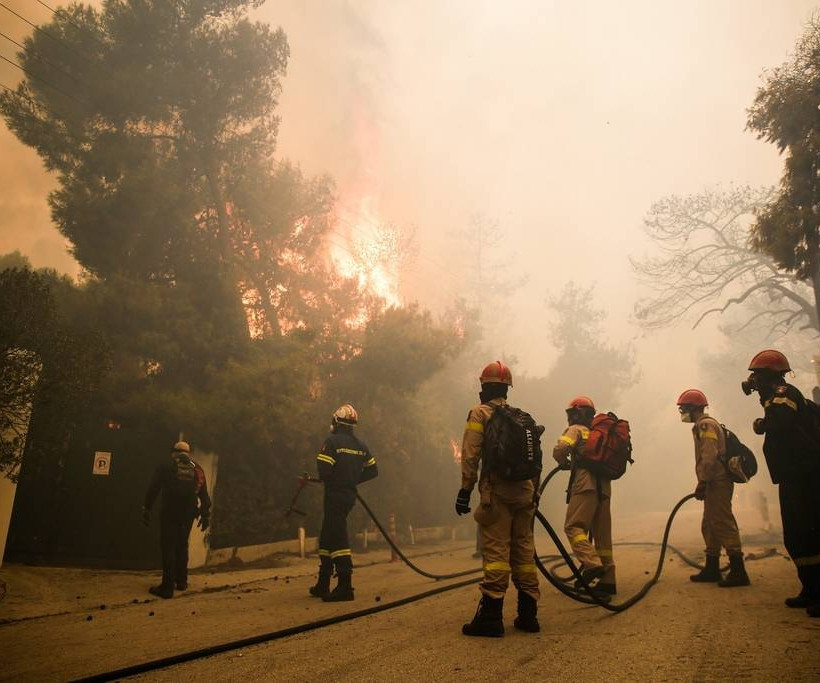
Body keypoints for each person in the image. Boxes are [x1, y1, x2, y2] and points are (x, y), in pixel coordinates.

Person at [455, 360, 541, 637]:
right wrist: (534, 493)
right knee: (524, 551)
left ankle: (491, 617)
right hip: (526, 491)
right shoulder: (521, 416)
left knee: (496, 553)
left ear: (485, 387)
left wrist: (465, 490)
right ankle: (528, 615)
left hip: (498, 492)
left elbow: (470, 454)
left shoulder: (480, 414)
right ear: (506, 389)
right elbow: (535, 461)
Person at [743, 350, 820, 615]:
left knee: (812, 533)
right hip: (792, 475)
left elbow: (781, 421)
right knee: (797, 535)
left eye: (757, 375)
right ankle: (810, 590)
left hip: (806, 475)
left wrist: (763, 422)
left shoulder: (784, 392)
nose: (753, 381)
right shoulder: (773, 396)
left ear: (771, 374)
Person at [676, 389, 749, 587]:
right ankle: (712, 567)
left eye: (684, 408)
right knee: (710, 524)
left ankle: (738, 570)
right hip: (713, 481)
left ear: (694, 408)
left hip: (717, 481)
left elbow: (709, 456)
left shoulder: (706, 425)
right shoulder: (702, 425)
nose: (682, 412)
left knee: (722, 522)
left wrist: (703, 481)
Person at [310, 403, 378, 602]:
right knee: (327, 535)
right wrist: (352, 479)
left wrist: (339, 479)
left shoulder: (331, 442)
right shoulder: (361, 446)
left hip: (334, 496)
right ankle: (323, 583)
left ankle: (345, 585)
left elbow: (324, 471)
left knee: (338, 538)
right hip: (348, 496)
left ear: (336, 422)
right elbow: (373, 471)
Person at [552, 396, 616, 596]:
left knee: (573, 526)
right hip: (604, 487)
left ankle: (592, 564)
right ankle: (608, 580)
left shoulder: (576, 430)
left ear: (575, 414)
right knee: (602, 535)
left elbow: (560, 449)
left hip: (585, 484)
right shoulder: (598, 433)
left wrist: (562, 462)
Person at [142, 441, 211, 599]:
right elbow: (204, 496)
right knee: (182, 544)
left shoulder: (166, 466)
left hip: (169, 512)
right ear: (188, 453)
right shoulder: (197, 468)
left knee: (168, 547)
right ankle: (181, 582)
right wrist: (205, 514)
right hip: (188, 515)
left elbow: (153, 488)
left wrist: (146, 508)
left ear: (174, 452)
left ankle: (167, 588)